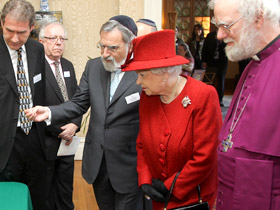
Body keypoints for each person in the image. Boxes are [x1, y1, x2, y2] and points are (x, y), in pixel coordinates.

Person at [25, 15, 143, 210]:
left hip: (128, 165)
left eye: (112, 48)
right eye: (102, 46)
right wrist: (49, 111)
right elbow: (79, 103)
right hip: (98, 163)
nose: (105, 53)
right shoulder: (94, 67)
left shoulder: (144, 70)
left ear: (131, 45)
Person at [121, 30, 222, 210]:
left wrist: (171, 186)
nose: (138, 82)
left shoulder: (203, 96)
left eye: (142, 75)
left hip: (193, 198)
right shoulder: (147, 96)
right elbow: (142, 143)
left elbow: (205, 157)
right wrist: (144, 180)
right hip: (160, 196)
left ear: (164, 73)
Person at [209, 0, 280, 209]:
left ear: (258, 17)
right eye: (217, 26)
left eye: (226, 25)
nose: (220, 35)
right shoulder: (252, 64)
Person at [0, 0, 47, 209]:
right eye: (10, 30)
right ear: (2, 23)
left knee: (36, 194)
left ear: (31, 27)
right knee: (9, 199)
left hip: (34, 136)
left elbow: (41, 90)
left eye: (22, 32)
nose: (15, 38)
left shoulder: (37, 49)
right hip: (4, 141)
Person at [39, 22, 82, 210]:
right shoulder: (36, 69)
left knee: (66, 190)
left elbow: (79, 99)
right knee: (47, 192)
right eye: (53, 38)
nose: (59, 43)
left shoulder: (68, 65)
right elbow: (34, 108)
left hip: (68, 140)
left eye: (62, 39)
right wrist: (60, 131)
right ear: (41, 42)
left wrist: (74, 125)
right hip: (46, 140)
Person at [202, 30, 228, 106]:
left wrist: (221, 41)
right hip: (210, 61)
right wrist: (204, 60)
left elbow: (228, 48)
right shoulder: (210, 35)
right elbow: (205, 48)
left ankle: (220, 99)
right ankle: (210, 98)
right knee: (210, 80)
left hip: (222, 62)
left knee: (221, 80)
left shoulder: (226, 35)